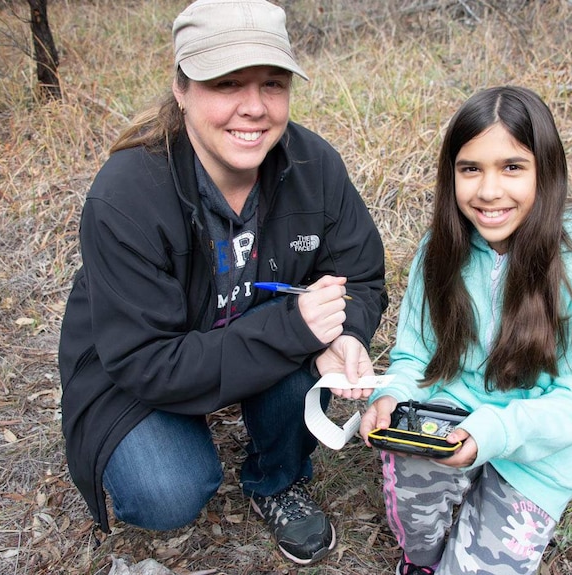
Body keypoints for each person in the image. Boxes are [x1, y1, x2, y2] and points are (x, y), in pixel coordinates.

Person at [58, 0, 387, 566]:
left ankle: (277, 479)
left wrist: (346, 335)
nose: (254, 107)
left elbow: (360, 276)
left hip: (248, 341)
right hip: (140, 371)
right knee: (167, 494)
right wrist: (294, 329)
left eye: (273, 84)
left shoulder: (314, 166)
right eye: (227, 83)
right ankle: (181, 427)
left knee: (310, 337)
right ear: (182, 89)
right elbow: (143, 361)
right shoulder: (126, 195)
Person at [359, 86, 572, 575]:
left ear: (546, 170)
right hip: (446, 416)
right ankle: (419, 562)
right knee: (415, 524)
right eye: (470, 169)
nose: (488, 191)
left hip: (536, 451)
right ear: (451, 174)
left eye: (511, 167)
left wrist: (494, 433)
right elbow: (413, 357)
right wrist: (393, 395)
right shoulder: (439, 251)